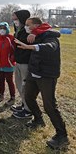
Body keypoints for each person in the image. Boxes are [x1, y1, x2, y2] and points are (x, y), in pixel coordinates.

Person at [15, 17, 69, 149]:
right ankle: (38, 119)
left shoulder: (50, 36)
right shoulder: (36, 34)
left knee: (49, 105)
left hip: (47, 75)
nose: (26, 27)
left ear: (37, 25)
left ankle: (62, 135)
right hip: (34, 72)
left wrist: (32, 47)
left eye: (29, 25)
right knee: (28, 97)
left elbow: (51, 47)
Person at [11, 10, 33, 119]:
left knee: (26, 87)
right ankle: (24, 105)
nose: (14, 21)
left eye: (16, 18)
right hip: (18, 61)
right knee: (19, 85)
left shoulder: (29, 31)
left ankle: (28, 110)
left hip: (26, 63)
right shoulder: (18, 29)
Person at [0, 22, 16, 105]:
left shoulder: (11, 38)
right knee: (1, 80)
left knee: (9, 81)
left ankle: (12, 97)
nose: (2, 30)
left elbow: (14, 51)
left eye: (4, 28)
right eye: (0, 28)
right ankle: (1, 95)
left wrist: (11, 59)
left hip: (8, 64)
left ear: (7, 29)